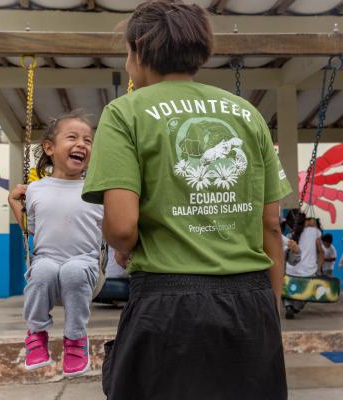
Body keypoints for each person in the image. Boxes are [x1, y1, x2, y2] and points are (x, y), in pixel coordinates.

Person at [82, 2, 292, 399]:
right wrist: (272, 303)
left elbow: (122, 228)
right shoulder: (247, 114)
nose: (128, 66)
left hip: (167, 306)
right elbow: (269, 226)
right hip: (250, 303)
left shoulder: (125, 113)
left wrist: (122, 245)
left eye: (127, 54)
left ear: (139, 50)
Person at [8, 110, 102, 377]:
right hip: (46, 261)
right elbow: (32, 231)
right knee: (42, 271)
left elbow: (110, 229)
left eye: (88, 140)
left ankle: (75, 339)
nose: (82, 144)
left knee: (72, 271)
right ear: (49, 147)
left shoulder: (97, 190)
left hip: (84, 265)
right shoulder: (36, 189)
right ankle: (36, 333)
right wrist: (15, 204)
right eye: (72, 137)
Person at [284, 215, 324, 319]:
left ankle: (288, 306)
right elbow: (320, 251)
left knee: (287, 289)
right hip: (308, 270)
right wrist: (319, 268)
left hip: (290, 270)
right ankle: (296, 308)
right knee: (305, 291)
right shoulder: (314, 231)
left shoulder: (289, 234)